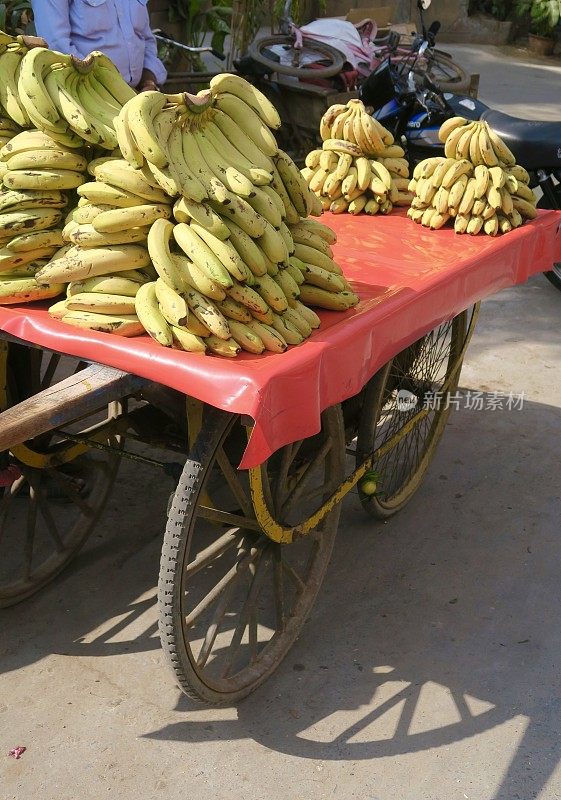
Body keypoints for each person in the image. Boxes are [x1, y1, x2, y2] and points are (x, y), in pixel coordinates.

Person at [30, 0, 167, 91]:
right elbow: (56, 44)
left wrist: (148, 81)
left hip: (136, 93)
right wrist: (105, 88)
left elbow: (145, 37)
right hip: (86, 96)